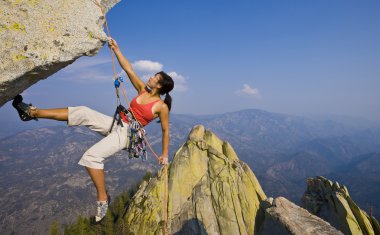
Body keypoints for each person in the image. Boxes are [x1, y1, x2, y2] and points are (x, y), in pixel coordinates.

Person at [11, 37, 174, 223]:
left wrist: (164, 154)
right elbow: (128, 68)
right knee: (83, 112)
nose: (151, 77)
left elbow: (165, 131)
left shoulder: (161, 107)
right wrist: (116, 49)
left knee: (91, 157)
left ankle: (103, 199)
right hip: (116, 123)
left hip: (126, 135)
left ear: (159, 86)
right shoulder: (142, 90)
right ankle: (32, 112)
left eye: (155, 77)